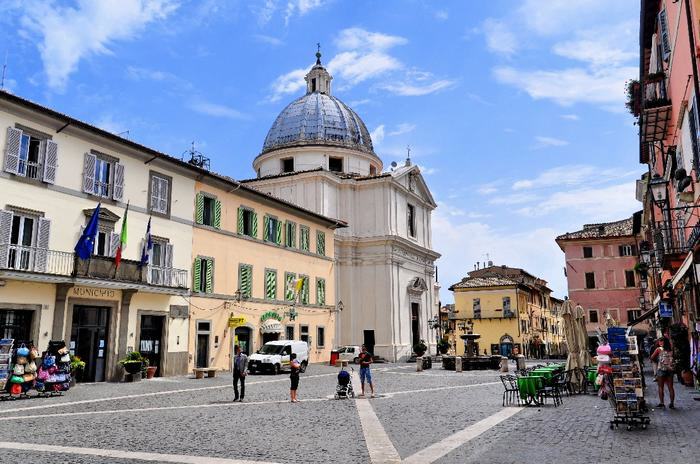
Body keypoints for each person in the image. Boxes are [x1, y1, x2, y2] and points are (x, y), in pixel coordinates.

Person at [650, 337, 675, 409]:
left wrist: (658, 358)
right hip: (670, 369)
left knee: (661, 387)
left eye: (661, 342)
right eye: (659, 342)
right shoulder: (671, 350)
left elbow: (652, 357)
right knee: (670, 387)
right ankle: (672, 403)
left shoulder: (658, 349)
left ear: (664, 342)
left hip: (661, 369)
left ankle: (662, 403)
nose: (660, 343)